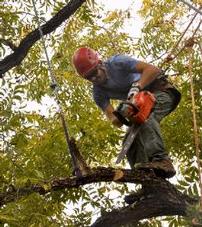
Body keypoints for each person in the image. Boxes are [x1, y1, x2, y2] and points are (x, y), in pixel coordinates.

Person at [72, 47, 181, 180]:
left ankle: (162, 160)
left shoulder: (118, 63)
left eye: (95, 72)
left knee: (145, 117)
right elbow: (113, 120)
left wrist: (137, 87)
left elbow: (153, 70)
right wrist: (121, 113)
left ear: (100, 63)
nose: (94, 78)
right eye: (89, 77)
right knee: (129, 143)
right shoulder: (98, 93)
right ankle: (146, 180)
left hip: (161, 91)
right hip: (138, 105)